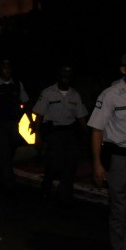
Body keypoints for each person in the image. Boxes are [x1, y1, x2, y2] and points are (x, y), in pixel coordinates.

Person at [87, 52, 126, 250]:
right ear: (124, 69)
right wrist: (97, 164)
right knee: (119, 210)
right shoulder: (111, 95)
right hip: (120, 159)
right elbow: (97, 129)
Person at [32, 64, 88, 206]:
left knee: (70, 165)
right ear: (58, 76)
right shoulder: (48, 93)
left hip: (69, 133)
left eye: (68, 76)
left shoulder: (75, 95)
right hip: (53, 133)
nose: (66, 79)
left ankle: (65, 196)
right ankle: (45, 191)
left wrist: (88, 135)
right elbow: (39, 115)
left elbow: (81, 117)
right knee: (53, 164)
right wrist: (37, 136)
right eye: (63, 75)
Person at [0, 59, 33, 195]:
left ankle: (0, 172)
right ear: (0, 70)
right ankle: (9, 183)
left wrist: (31, 122)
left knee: (14, 143)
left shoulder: (17, 85)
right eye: (4, 68)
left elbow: (26, 103)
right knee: (4, 150)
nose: (7, 71)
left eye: (9, 68)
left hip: (13, 123)